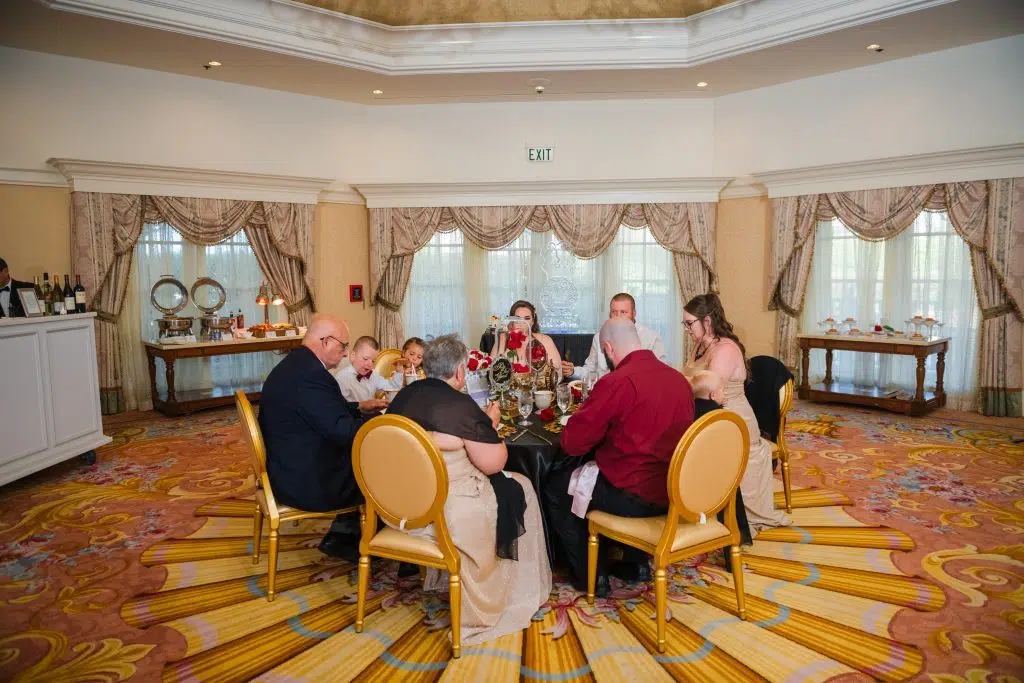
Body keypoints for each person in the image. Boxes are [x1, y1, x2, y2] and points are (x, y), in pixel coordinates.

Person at [388, 334, 552, 645]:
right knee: (522, 486)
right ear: (461, 371)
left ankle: (442, 578)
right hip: (447, 510)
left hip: (400, 506)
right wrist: (489, 424)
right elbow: (494, 463)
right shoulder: (461, 407)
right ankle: (507, 592)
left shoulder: (404, 396)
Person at [544, 318, 694, 596]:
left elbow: (574, 443)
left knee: (556, 485)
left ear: (608, 348)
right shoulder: (677, 380)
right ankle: (636, 563)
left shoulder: (616, 382)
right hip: (675, 490)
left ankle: (592, 576)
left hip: (632, 495)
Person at [258, 315, 387, 561]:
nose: (344, 352)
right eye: (343, 346)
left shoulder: (297, 365)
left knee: (364, 458)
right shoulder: (312, 376)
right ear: (326, 341)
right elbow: (342, 432)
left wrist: (359, 407)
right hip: (305, 479)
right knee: (377, 464)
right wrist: (382, 424)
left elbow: (320, 412)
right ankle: (363, 542)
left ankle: (344, 535)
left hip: (288, 461)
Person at [682, 293, 791, 536]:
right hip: (709, 414)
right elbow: (695, 384)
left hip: (733, 421)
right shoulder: (700, 345)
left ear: (707, 322)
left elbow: (710, 389)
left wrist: (681, 383)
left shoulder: (726, 349)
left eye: (689, 323)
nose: (687, 329)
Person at [562, 293, 665, 379]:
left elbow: (660, 375)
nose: (618, 316)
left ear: (634, 314)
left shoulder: (652, 338)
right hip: (606, 391)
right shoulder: (599, 337)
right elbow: (590, 369)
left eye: (623, 312)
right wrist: (573, 371)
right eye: (614, 312)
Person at [490, 300, 562, 373]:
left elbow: (557, 370)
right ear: (511, 321)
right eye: (517, 318)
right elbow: (493, 372)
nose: (521, 322)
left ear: (533, 322)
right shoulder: (502, 339)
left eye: (526, 318)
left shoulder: (544, 340)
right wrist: (503, 339)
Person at [336, 335, 404, 402]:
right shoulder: (342, 378)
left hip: (372, 412)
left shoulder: (373, 375)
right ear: (353, 356)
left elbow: (392, 387)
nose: (370, 364)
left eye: (373, 361)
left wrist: (399, 372)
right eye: (365, 359)